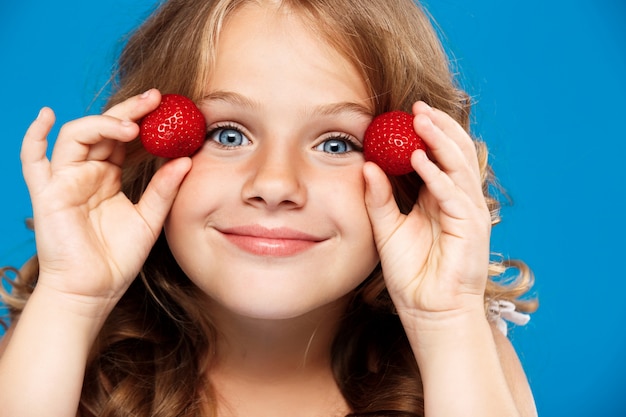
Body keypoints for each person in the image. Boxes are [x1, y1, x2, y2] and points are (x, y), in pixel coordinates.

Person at [0, 0, 538, 416]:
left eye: (336, 144)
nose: (275, 184)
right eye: (228, 135)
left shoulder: (468, 354)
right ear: (145, 149)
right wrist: (72, 297)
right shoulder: (55, 348)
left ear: (414, 180)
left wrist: (445, 319)